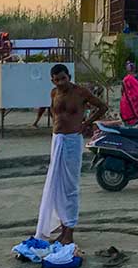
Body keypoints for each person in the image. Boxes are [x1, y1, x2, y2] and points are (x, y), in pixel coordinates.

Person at [35, 64, 108, 246]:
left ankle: (70, 231)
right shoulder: (54, 93)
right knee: (56, 184)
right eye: (57, 79)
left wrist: (86, 123)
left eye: (63, 78)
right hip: (57, 140)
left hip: (72, 141)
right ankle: (62, 228)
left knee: (70, 187)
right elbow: (54, 114)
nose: (60, 82)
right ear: (52, 80)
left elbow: (102, 107)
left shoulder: (80, 92)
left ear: (69, 76)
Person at [119, 62, 138, 126]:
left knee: (128, 118)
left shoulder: (125, 79)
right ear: (134, 69)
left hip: (127, 102)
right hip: (137, 101)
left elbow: (122, 90)